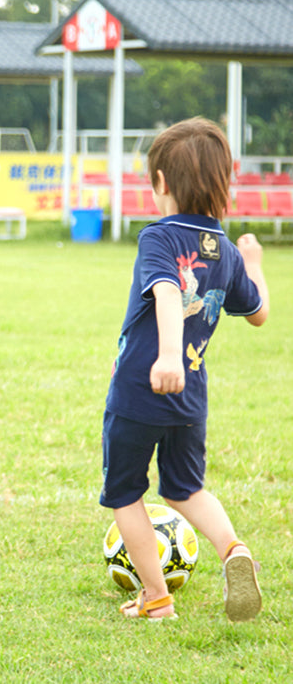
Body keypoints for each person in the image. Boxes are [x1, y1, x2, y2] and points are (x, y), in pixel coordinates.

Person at [100, 117, 269, 621]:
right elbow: (258, 313)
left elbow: (170, 291)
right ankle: (232, 549)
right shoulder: (228, 252)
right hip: (190, 397)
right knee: (185, 490)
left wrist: (167, 355)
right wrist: (255, 262)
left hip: (141, 387)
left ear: (161, 184)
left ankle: (156, 599)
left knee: (126, 495)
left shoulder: (160, 237)